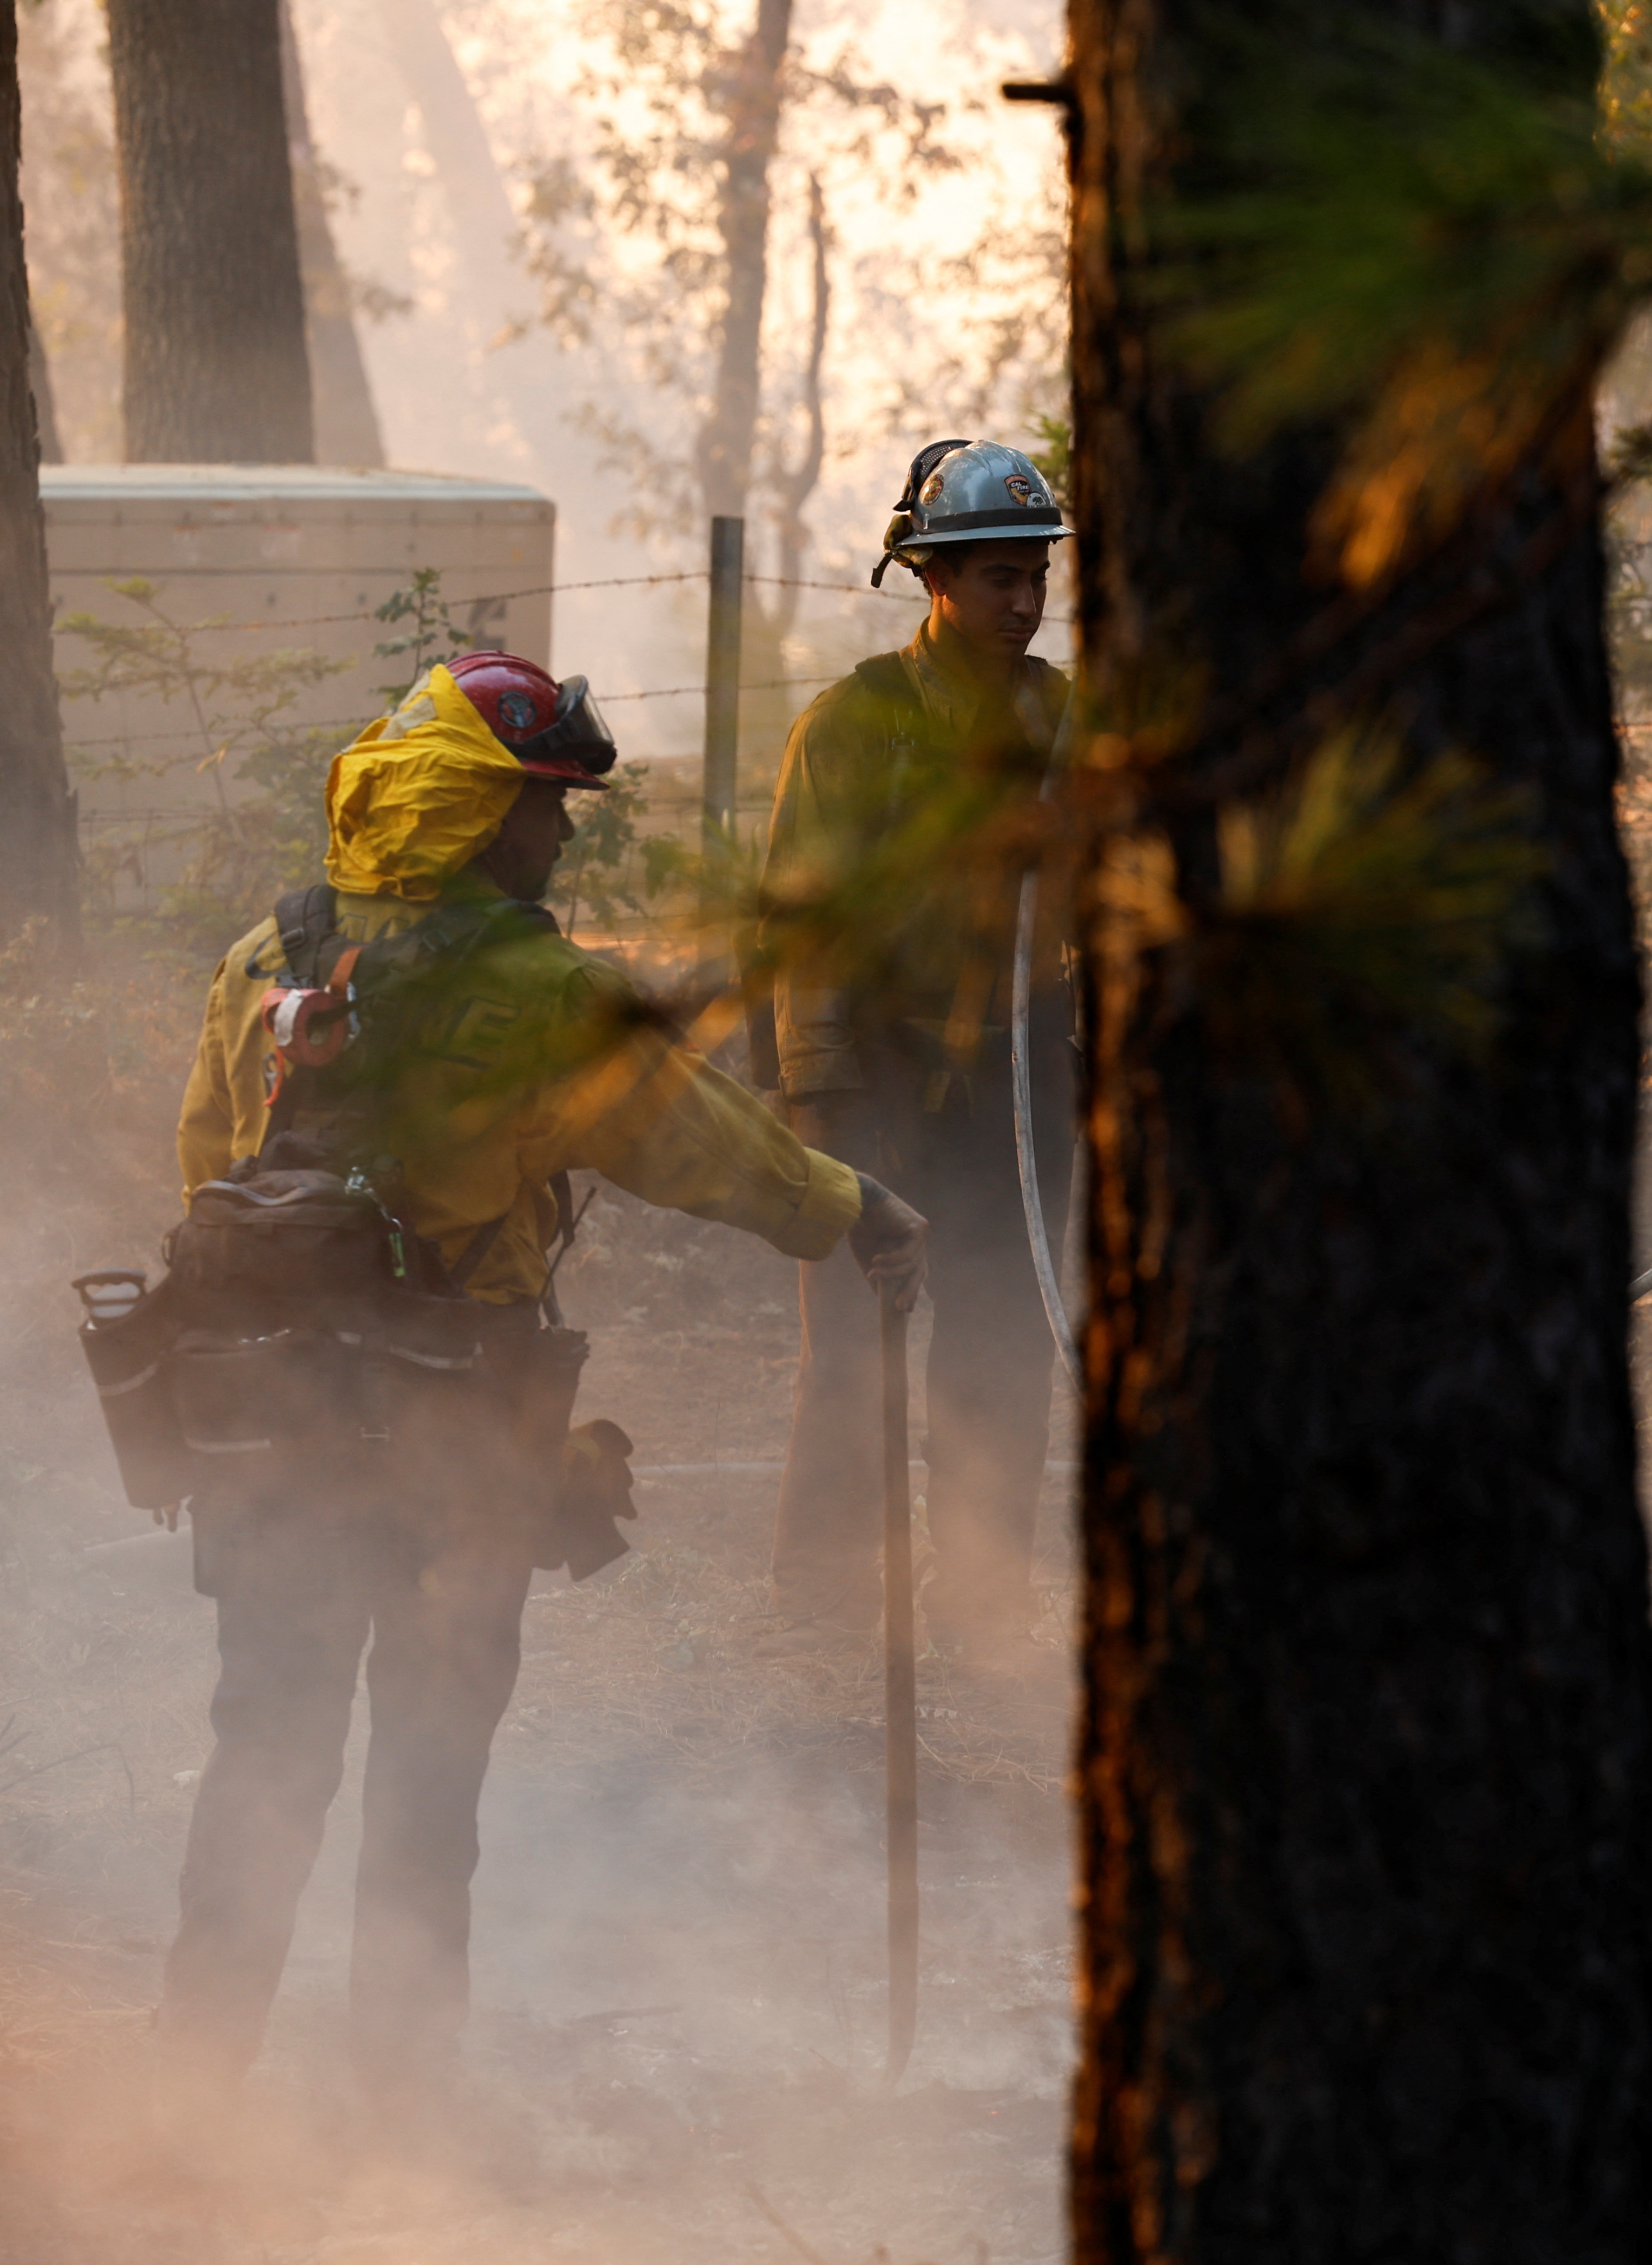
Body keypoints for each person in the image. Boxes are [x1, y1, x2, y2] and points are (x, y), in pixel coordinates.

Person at [158, 649, 929, 2125]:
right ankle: (393, 2120)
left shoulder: (267, 956)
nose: (563, 836)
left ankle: (185, 2107)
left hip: (263, 1419)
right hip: (456, 1426)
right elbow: (705, 1146)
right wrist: (857, 1210)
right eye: (542, 805)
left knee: (264, 1748)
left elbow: (208, 1170)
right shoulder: (533, 991)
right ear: (466, 810)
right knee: (428, 1768)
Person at [759, 439, 1073, 1652]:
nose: (1024, 600)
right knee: (853, 1355)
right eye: (996, 577)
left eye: (1036, 574)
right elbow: (802, 929)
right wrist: (827, 1122)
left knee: (1006, 1343)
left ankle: (985, 1599)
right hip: (875, 1083)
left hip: (1020, 1084)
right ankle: (827, 1607)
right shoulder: (852, 728)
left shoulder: (1063, 724)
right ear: (930, 578)